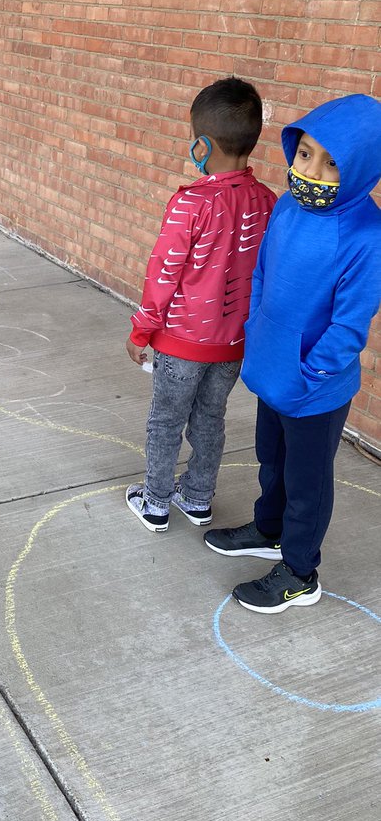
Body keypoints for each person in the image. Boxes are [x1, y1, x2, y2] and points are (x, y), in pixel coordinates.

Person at [205, 93, 381, 612]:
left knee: (308, 482)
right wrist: (258, 329)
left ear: (362, 168)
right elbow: (262, 272)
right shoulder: (288, 206)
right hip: (273, 366)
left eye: (331, 163)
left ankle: (301, 572)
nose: (312, 171)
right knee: (272, 459)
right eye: (305, 154)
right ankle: (269, 529)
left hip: (314, 388)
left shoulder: (368, 237)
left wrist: (311, 373)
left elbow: (349, 325)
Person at [125, 77, 276, 533]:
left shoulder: (190, 202)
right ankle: (197, 498)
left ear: (202, 146)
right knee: (210, 418)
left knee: (166, 420)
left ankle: (155, 502)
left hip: (182, 342)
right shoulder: (267, 202)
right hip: (232, 344)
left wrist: (142, 328)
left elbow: (163, 272)